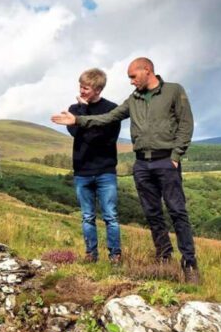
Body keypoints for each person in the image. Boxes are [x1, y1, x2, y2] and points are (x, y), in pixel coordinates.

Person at [51, 57, 200, 284]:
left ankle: (189, 264)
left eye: (133, 76)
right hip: (141, 164)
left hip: (165, 161)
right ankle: (164, 256)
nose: (131, 82)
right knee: (152, 214)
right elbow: (108, 117)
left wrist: (176, 155)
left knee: (177, 211)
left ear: (147, 70)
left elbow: (186, 123)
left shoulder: (173, 91)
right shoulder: (134, 99)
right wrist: (78, 119)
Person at [64, 68, 122, 264]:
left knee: (110, 217)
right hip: (82, 171)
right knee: (87, 217)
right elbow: (74, 133)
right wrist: (81, 111)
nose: (81, 91)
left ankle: (115, 256)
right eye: (80, 86)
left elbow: (105, 139)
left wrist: (83, 127)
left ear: (97, 89)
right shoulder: (74, 109)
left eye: (86, 88)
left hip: (106, 171)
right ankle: (91, 255)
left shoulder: (113, 109)